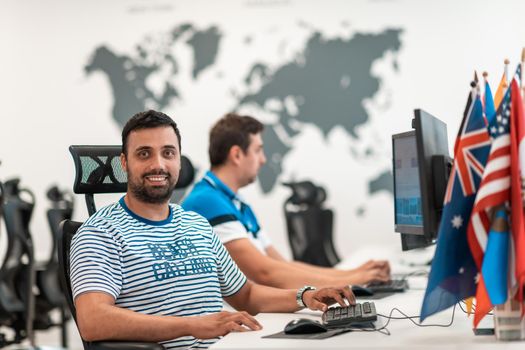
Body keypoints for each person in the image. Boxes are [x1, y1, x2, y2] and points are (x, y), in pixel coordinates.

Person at [70, 110, 354, 350]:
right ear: (124, 162)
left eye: (168, 153)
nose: (158, 164)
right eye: (144, 153)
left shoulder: (196, 224)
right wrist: (193, 326)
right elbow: (93, 320)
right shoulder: (100, 233)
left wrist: (305, 296)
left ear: (179, 160)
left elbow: (246, 295)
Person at [182, 113, 391, 290]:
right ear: (236, 154)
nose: (263, 159)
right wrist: (352, 280)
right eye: (257, 150)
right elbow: (265, 274)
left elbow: (280, 264)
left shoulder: (234, 201)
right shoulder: (207, 202)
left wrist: (351, 274)